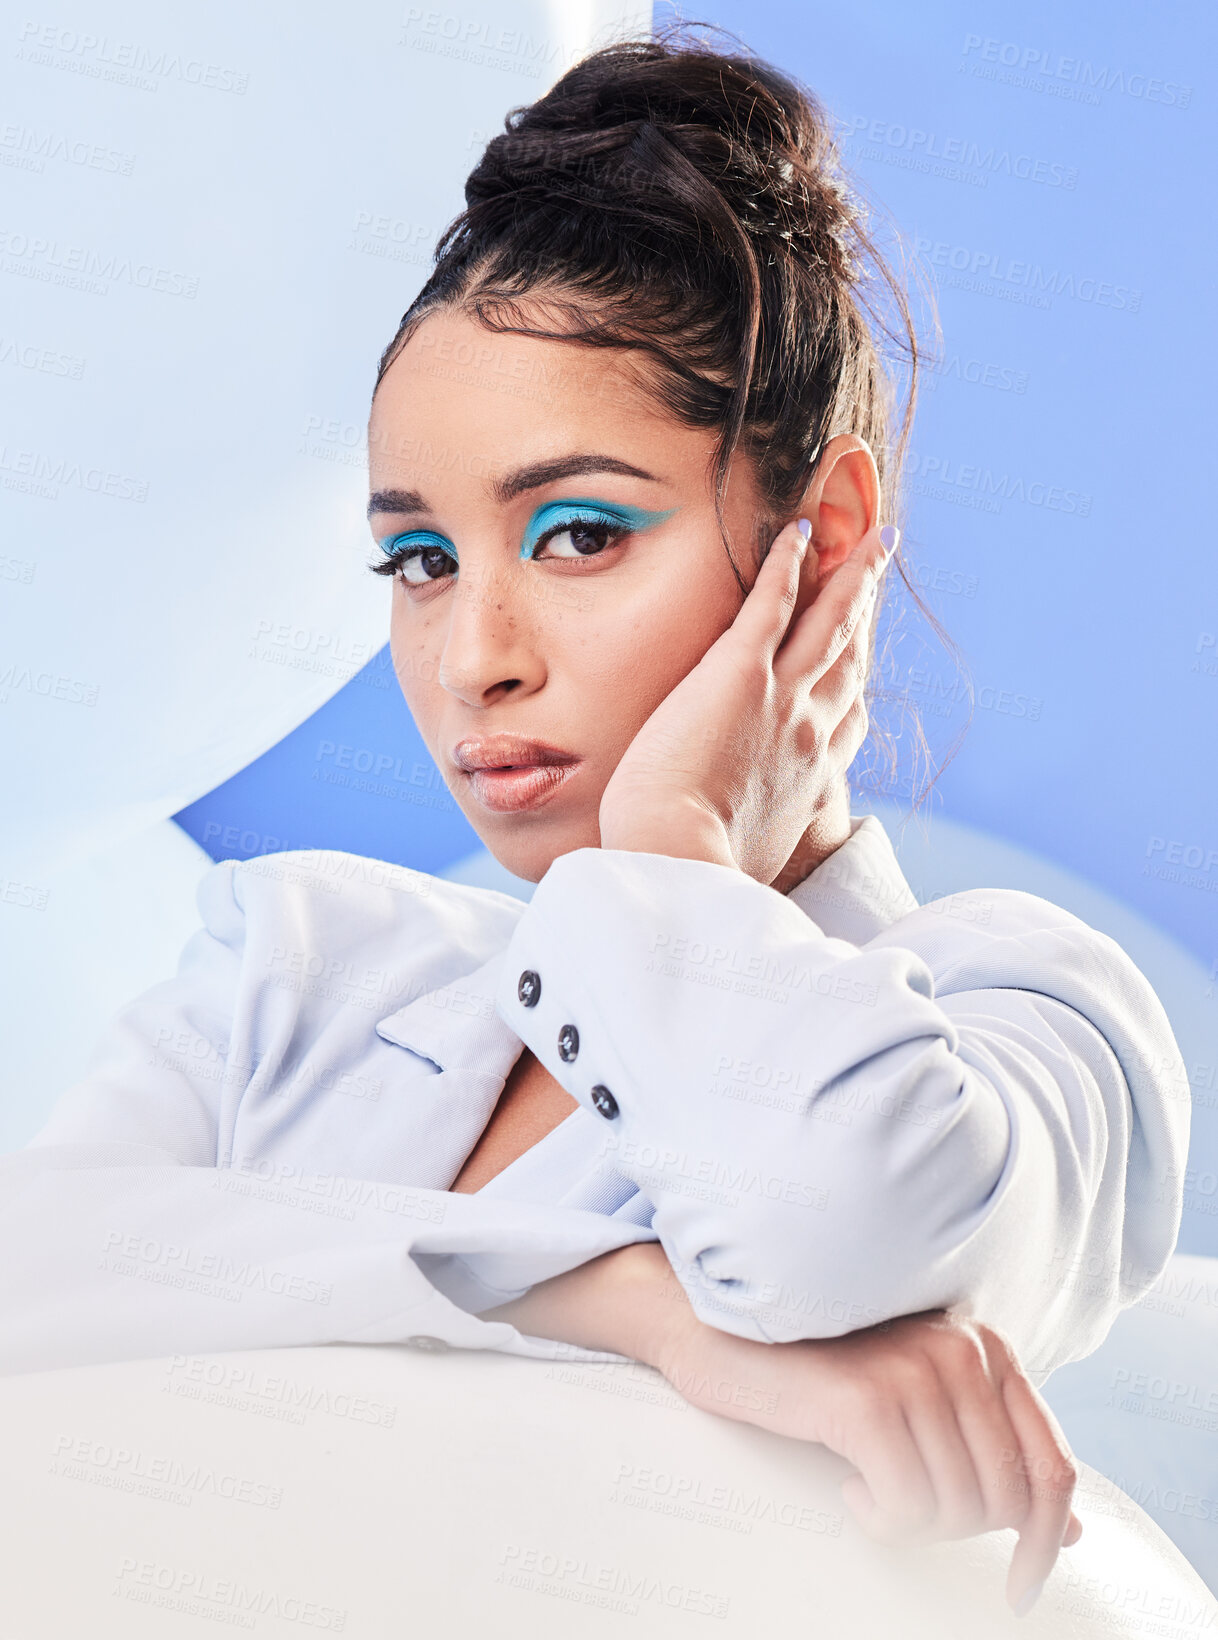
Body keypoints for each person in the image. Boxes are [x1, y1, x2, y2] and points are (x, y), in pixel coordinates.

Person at [0, 27, 1189, 1619]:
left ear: (815, 543)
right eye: (419, 561)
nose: (474, 656)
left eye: (574, 533)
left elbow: (833, 1241)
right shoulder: (303, 964)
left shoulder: (1032, 1020)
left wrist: (670, 854)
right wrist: (621, 1304)